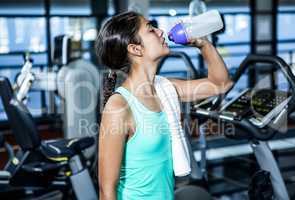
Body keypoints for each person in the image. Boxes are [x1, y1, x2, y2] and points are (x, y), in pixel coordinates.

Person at [95, 11, 232, 200]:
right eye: (151, 30)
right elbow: (106, 190)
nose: (161, 32)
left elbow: (220, 84)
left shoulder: (165, 89)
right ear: (136, 49)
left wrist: (203, 43)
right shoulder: (119, 106)